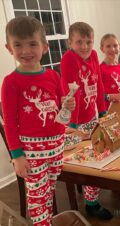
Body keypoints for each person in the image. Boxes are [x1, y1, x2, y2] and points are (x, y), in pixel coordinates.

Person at [2, 16, 75, 226]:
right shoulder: (11, 82)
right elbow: (9, 122)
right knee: (36, 195)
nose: (25, 51)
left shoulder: (53, 75)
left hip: (56, 146)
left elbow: (62, 107)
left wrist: (68, 106)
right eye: (18, 45)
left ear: (44, 46)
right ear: (9, 48)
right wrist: (17, 156)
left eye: (32, 44)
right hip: (31, 150)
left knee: (49, 189)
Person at [60, 22, 113, 220]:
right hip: (75, 120)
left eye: (88, 41)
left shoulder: (94, 56)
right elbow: (71, 92)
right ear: (70, 43)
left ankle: (89, 194)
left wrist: (102, 112)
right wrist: (73, 126)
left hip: (91, 116)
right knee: (90, 160)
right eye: (79, 42)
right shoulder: (68, 59)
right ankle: (92, 204)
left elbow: (98, 85)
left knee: (95, 156)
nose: (84, 46)